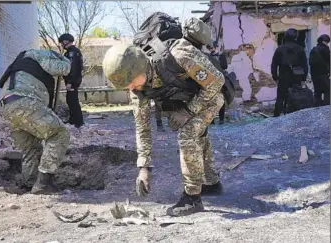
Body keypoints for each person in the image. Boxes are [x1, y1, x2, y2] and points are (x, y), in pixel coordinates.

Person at [102, 14, 225, 217]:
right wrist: (144, 167)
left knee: (187, 134)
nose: (131, 88)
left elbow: (216, 82)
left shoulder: (178, 53)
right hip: (186, 101)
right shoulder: (137, 88)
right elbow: (142, 127)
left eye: (132, 82)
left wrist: (188, 111)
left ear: (141, 67)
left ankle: (192, 198)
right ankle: (212, 183)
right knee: (198, 135)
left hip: (209, 97)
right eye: (127, 85)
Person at [0, 49, 71, 194]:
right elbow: (62, 68)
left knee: (30, 147)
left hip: (6, 106)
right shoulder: (40, 54)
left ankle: (31, 183)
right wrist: (67, 61)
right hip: (25, 101)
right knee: (59, 134)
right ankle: (44, 184)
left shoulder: (20, 61)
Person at [271, 28, 308, 117]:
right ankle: (295, 115)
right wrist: (304, 78)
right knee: (296, 95)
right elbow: (304, 65)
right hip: (297, 76)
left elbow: (274, 64)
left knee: (280, 97)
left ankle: (276, 116)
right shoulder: (300, 49)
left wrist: (275, 77)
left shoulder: (280, 49)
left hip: (283, 75)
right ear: (295, 37)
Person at [58, 33, 84, 128]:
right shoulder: (74, 51)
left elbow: (72, 68)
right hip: (75, 80)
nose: (61, 45)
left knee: (73, 100)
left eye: (62, 42)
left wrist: (69, 82)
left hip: (73, 80)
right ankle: (73, 120)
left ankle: (78, 122)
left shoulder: (71, 52)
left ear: (66, 41)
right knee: (70, 99)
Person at [206, 40, 228, 124]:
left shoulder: (220, 56)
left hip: (219, 80)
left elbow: (224, 66)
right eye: (210, 47)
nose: (211, 49)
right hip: (211, 81)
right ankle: (213, 119)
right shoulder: (208, 57)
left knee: (219, 100)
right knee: (211, 101)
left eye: (211, 47)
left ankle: (220, 119)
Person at [309, 34, 330, 106]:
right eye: (326, 41)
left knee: (317, 92)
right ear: (323, 41)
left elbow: (310, 63)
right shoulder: (325, 49)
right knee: (328, 90)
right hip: (323, 74)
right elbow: (329, 61)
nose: (327, 43)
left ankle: (316, 107)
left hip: (314, 75)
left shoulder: (314, 49)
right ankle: (326, 107)